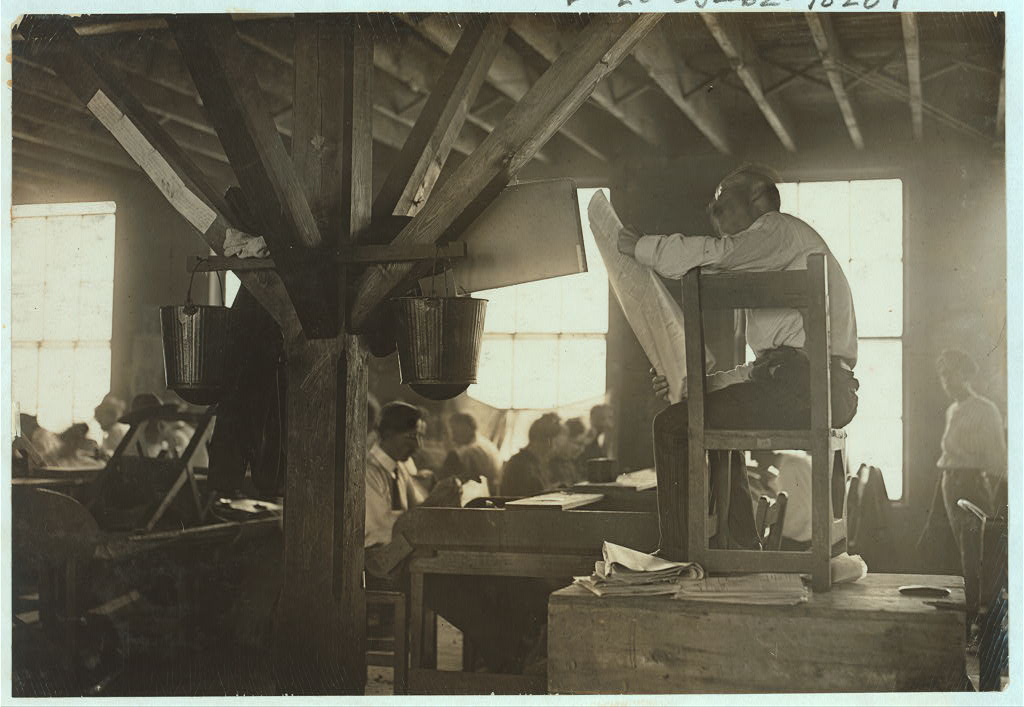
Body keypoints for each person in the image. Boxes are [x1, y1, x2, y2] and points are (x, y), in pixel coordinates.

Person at [617, 164, 860, 558]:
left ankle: (678, 555)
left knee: (673, 425)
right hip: (811, 387)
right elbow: (762, 370)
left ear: (759, 199)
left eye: (724, 202)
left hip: (810, 388)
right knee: (703, 412)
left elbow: (718, 256)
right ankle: (742, 543)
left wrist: (641, 246)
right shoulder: (777, 258)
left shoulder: (778, 228)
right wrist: (695, 385)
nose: (716, 215)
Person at [916, 350, 1006, 610]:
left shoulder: (985, 410)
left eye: (951, 373)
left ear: (966, 374)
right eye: (943, 375)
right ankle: (961, 615)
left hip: (973, 485)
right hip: (949, 483)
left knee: (974, 555)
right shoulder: (952, 410)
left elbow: (997, 461)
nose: (946, 381)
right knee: (949, 548)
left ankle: (978, 618)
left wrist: (992, 495)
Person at [364, 402, 462, 550]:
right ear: (388, 433)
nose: (418, 445)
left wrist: (444, 495)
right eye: (412, 436)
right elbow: (385, 530)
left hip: (396, 553)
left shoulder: (401, 468)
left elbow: (416, 508)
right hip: (374, 560)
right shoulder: (368, 472)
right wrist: (433, 501)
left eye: (420, 437)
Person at [500, 413, 566, 497]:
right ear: (549, 441)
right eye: (557, 442)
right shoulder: (522, 466)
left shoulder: (533, 463)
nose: (557, 448)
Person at [439, 412, 502, 490]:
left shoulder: (470, 451)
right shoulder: (486, 443)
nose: (452, 435)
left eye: (454, 429)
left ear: (467, 428)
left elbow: (451, 482)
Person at [92, 393, 129, 459]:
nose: (98, 420)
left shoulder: (116, 430)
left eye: (100, 416)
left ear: (110, 415)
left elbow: (115, 455)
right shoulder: (114, 430)